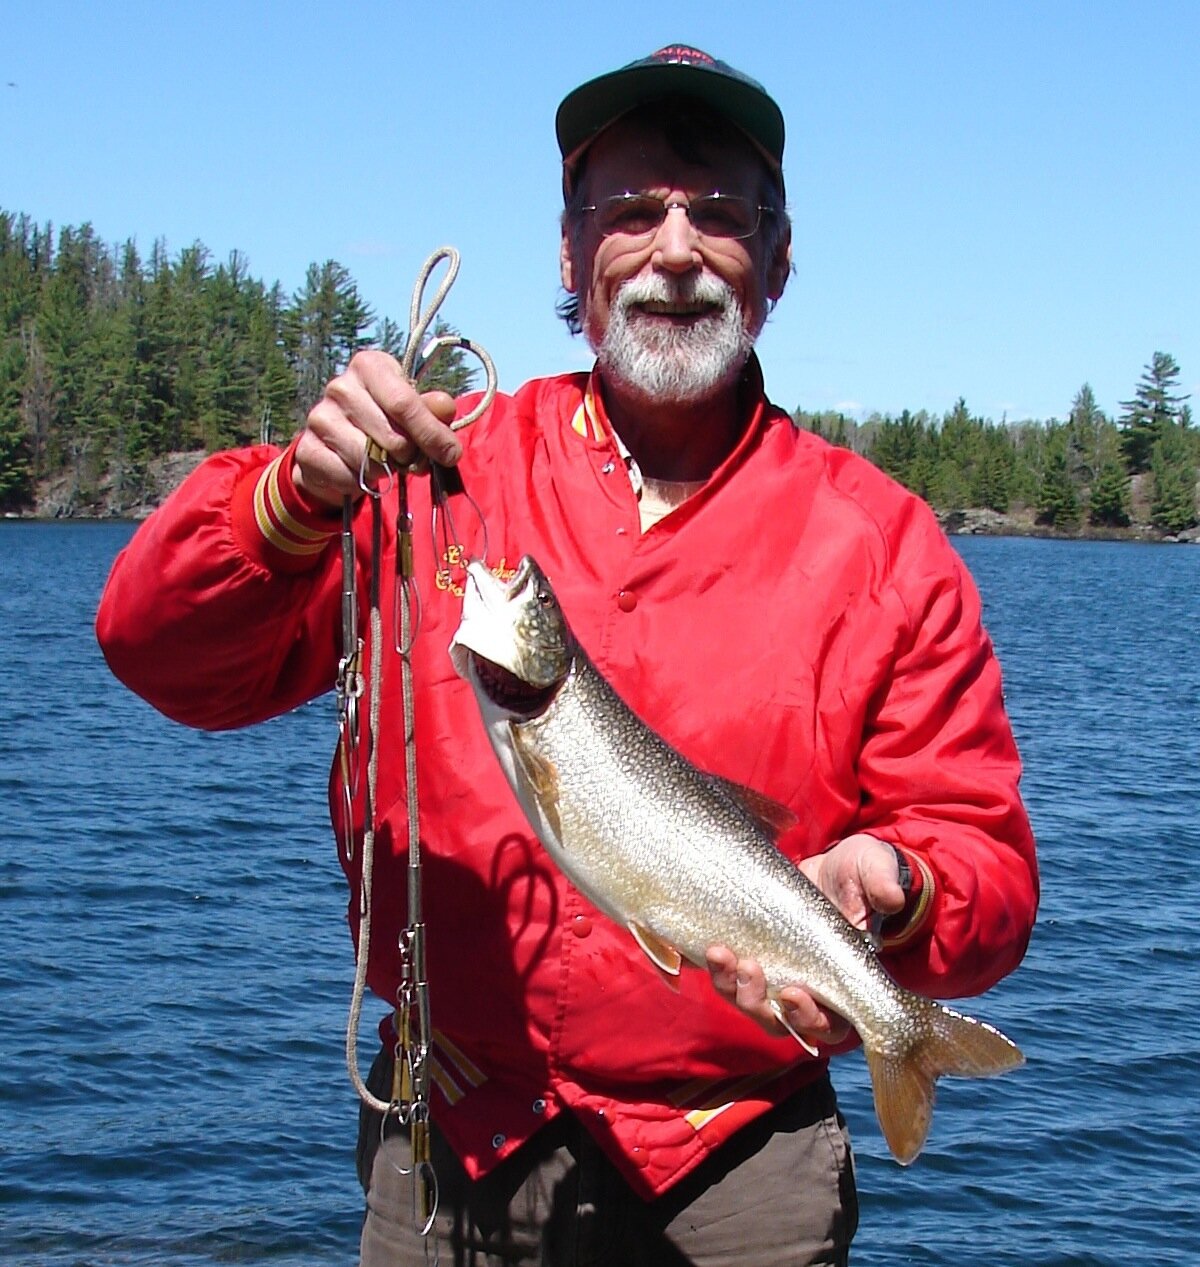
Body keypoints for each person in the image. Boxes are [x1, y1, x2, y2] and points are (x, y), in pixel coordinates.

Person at [96, 44, 1038, 1267]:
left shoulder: (886, 544)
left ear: (780, 260)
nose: (677, 250)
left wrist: (903, 884)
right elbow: (161, 653)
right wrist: (285, 502)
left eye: (720, 217)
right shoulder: (435, 464)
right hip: (454, 1143)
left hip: (743, 1168)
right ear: (570, 254)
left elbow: (987, 866)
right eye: (634, 212)